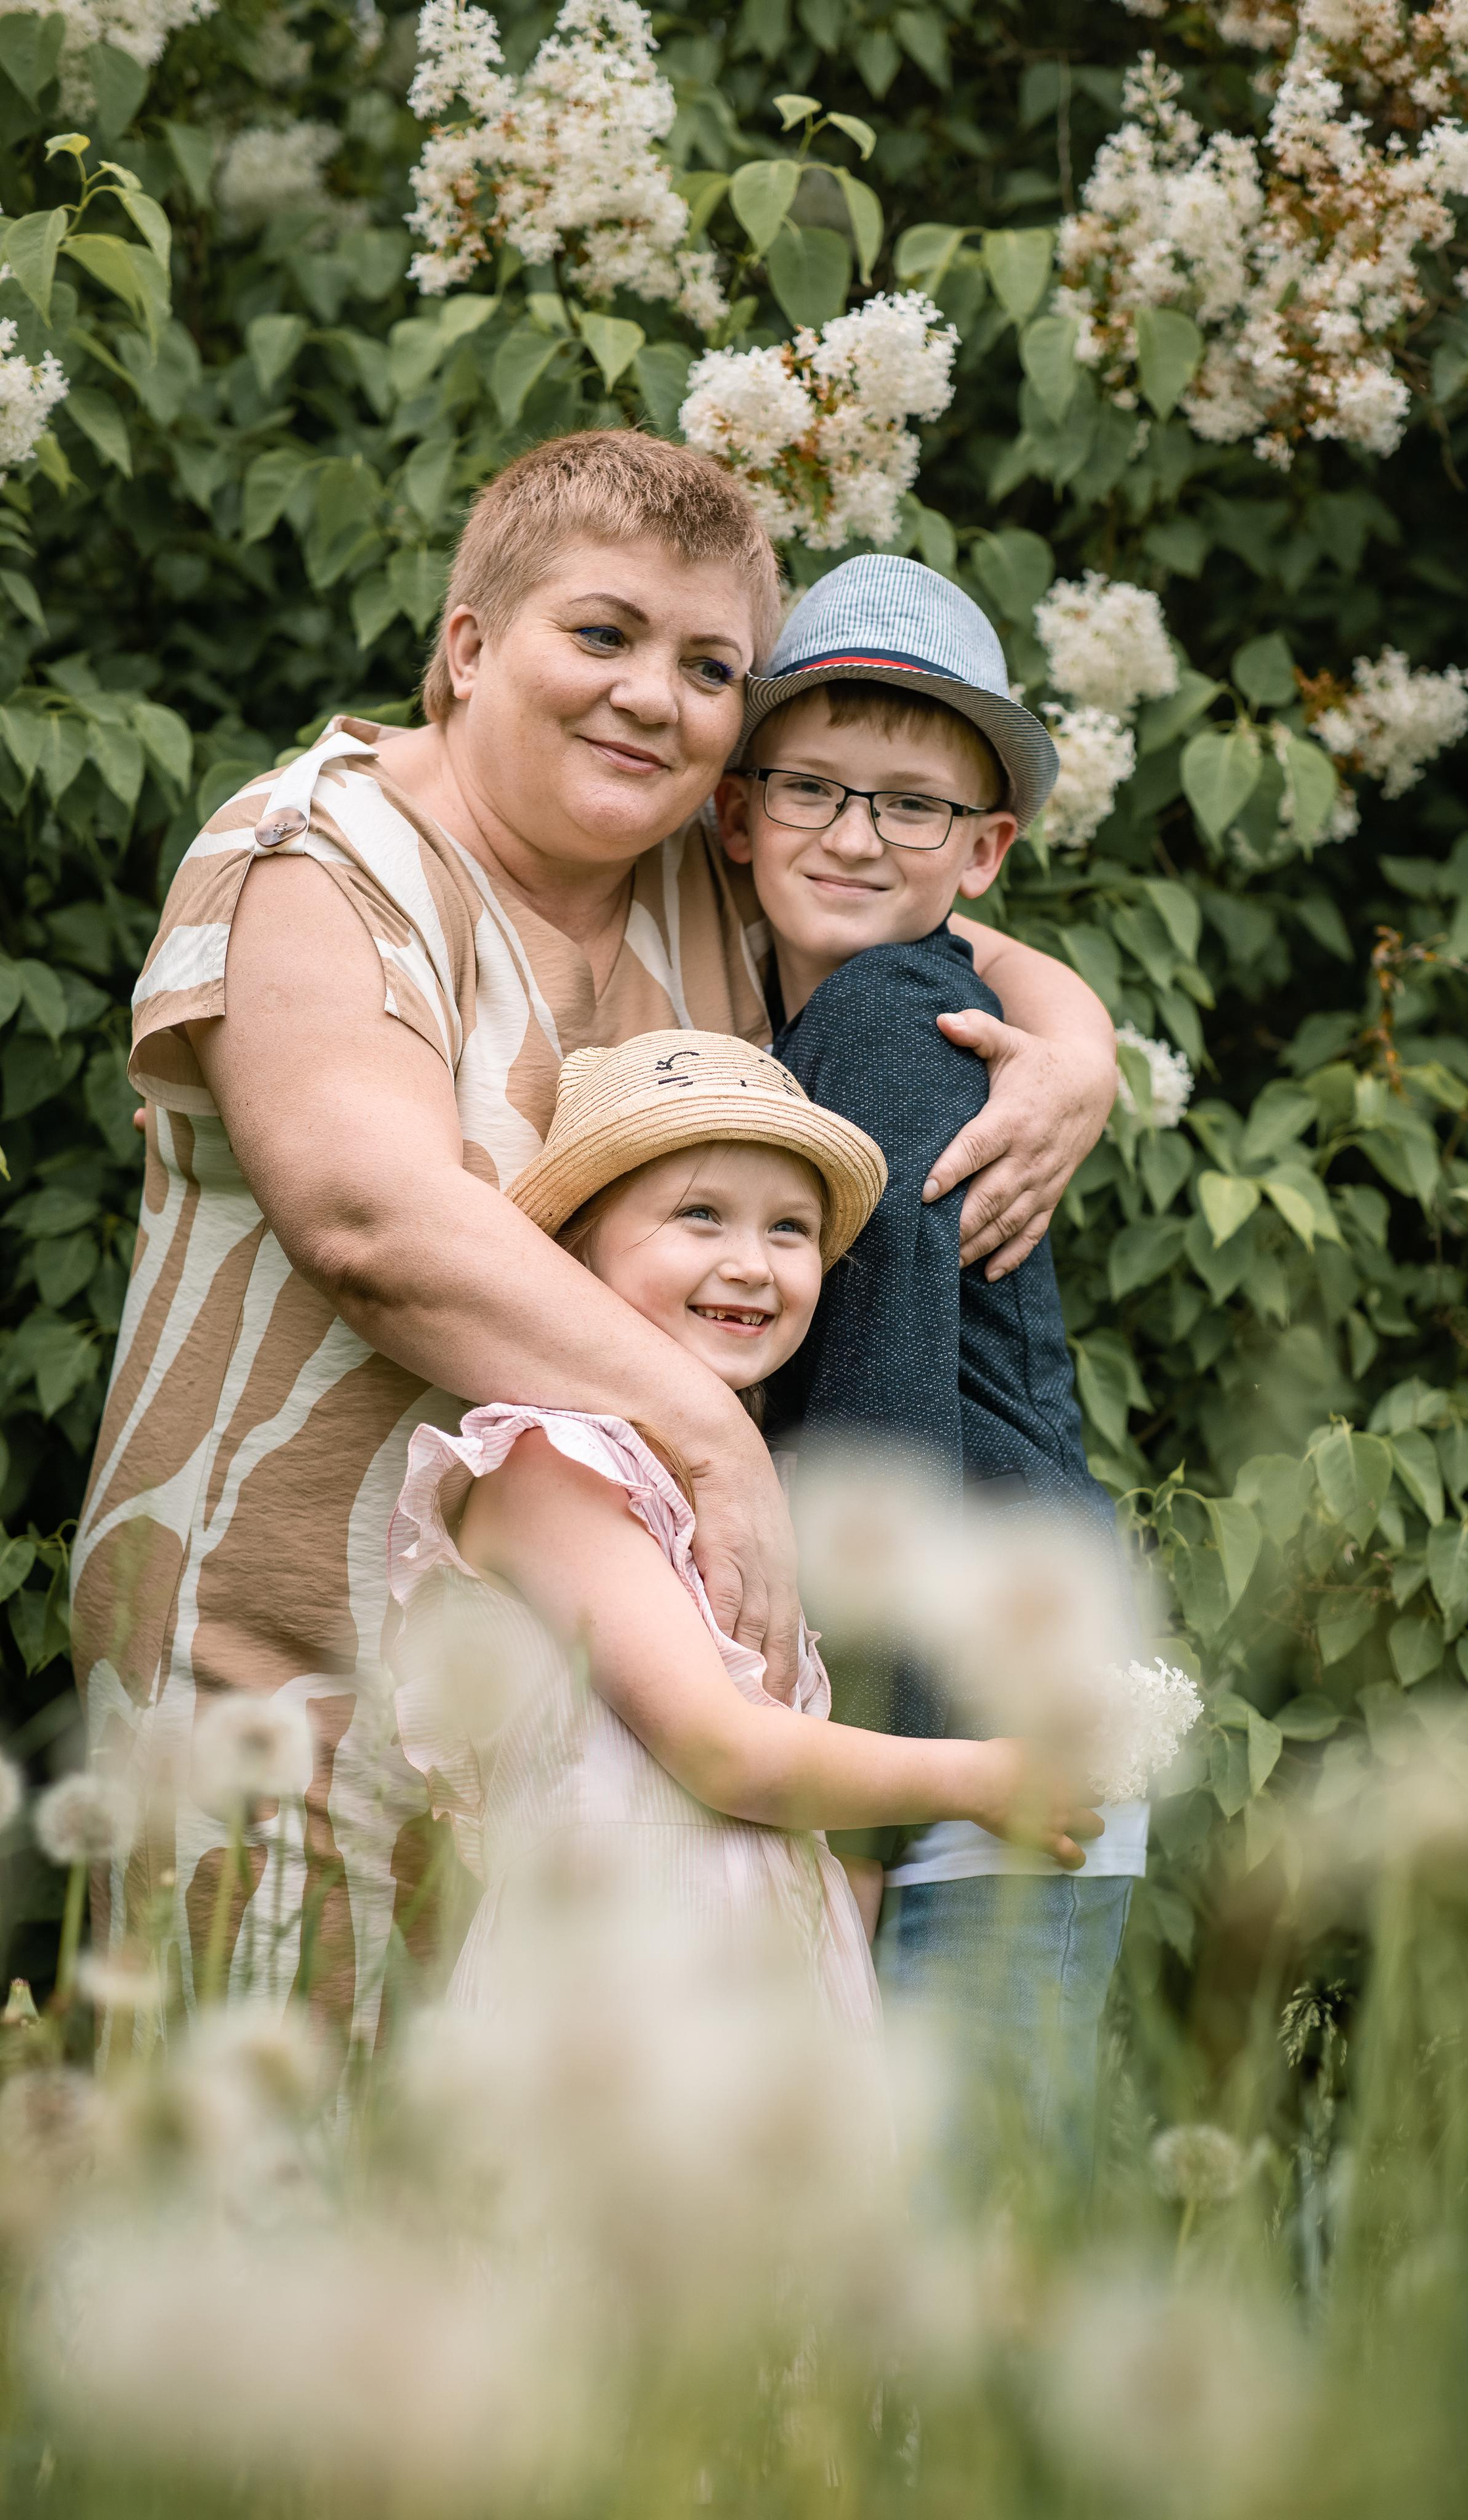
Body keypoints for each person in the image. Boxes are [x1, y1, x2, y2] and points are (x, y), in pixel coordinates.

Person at [70, 431, 1120, 2045]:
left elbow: (913, 890)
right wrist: (709, 1435)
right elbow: (372, 1224)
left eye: (709, 667)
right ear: (469, 646)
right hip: (295, 1701)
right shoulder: (317, 857)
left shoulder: (674, 875)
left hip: (605, 1768)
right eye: (604, 634)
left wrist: (1069, 1033)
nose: (653, 696)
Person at [387, 1031, 1101, 2023]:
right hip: (614, 2007)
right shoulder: (555, 1468)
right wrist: (981, 1775)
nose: (752, 1265)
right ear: (575, 1252)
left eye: (790, 1230)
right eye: (701, 1216)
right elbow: (722, 1751)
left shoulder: (754, 1492)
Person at [715, 555, 1143, 2193]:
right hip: (988, 1712)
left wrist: (869, 1794)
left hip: (973, 1732)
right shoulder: (842, 1009)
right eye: (814, 785)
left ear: (984, 853)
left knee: (957, 2226)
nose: (852, 833)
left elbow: (887, 1407)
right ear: (738, 810)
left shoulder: (894, 1013)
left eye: (909, 807)